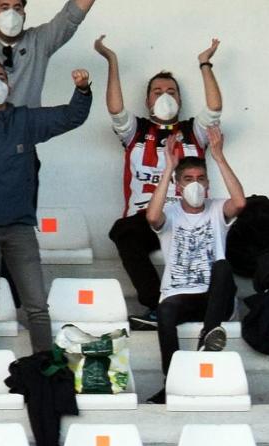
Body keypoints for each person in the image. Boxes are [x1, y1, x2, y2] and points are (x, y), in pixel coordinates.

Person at [0, 58, 90, 352]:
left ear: (8, 86)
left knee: (37, 306)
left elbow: (71, 116)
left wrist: (83, 90)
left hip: (19, 228)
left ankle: (45, 374)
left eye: (0, 76)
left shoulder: (26, 120)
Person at [92, 34, 222, 330]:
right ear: (147, 100)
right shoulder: (136, 130)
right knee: (123, 232)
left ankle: (206, 309)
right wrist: (112, 61)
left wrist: (205, 63)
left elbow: (214, 108)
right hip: (145, 217)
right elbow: (115, 109)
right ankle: (156, 306)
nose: (165, 96)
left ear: (180, 99)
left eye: (172, 92)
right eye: (157, 91)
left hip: (186, 216)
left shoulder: (193, 132)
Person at [144, 127, 245, 402]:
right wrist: (169, 169)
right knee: (164, 309)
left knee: (223, 266)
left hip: (215, 298)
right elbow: (152, 217)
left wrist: (219, 156)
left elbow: (240, 202)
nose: (195, 184)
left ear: (209, 184)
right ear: (178, 186)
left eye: (201, 179)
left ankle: (207, 339)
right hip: (181, 296)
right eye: (188, 179)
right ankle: (172, 383)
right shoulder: (171, 212)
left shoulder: (216, 208)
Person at [0, 0, 98, 104]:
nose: (11, 14)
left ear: (24, 14)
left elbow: (71, 16)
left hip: (19, 144)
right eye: (4, 7)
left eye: (17, 8)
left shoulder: (40, 42)